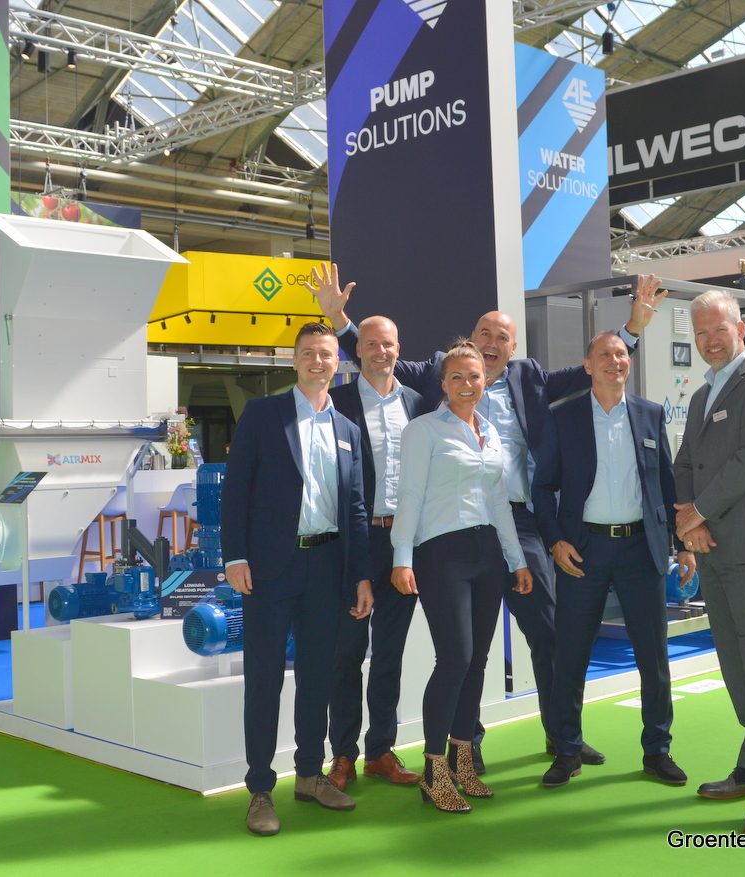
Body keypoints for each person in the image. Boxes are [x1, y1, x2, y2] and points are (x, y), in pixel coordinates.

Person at [310, 262, 664, 771]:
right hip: (452, 530)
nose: (491, 343)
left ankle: (562, 736)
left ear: (513, 348)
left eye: (502, 337)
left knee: (548, 634)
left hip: (519, 524)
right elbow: (379, 360)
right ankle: (463, 746)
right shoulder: (440, 371)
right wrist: (340, 322)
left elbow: (597, 367)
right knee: (462, 651)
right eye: (484, 334)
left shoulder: (531, 377)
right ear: (469, 344)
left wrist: (632, 328)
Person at [221, 322, 375, 837]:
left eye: (326, 354)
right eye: (307, 353)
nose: (317, 361)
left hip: (328, 567)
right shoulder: (263, 414)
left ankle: (309, 775)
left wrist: (360, 575)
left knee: (318, 676)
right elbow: (236, 489)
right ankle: (260, 789)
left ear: (338, 363)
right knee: (264, 678)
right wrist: (235, 556)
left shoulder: (348, 430)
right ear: (294, 361)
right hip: (269, 568)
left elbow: (356, 508)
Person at [532, 331, 695, 788]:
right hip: (582, 550)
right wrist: (555, 541)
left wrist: (683, 541)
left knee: (653, 657)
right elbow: (542, 487)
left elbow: (667, 483)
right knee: (571, 656)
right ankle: (567, 751)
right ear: (588, 365)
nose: (614, 360)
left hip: (641, 549)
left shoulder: (650, 414)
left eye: (621, 354)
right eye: (604, 354)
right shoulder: (562, 416)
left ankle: (657, 751)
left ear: (629, 362)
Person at [390, 340, 533, 813]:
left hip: (487, 554)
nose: (467, 384)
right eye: (457, 377)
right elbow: (409, 495)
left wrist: (517, 560)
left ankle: (462, 761)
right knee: (455, 658)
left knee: (478, 662)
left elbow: (499, 503)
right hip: (440, 554)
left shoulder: (490, 433)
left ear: (485, 380)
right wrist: (402, 558)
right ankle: (434, 771)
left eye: (474, 376)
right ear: (443, 383)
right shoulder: (422, 430)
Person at [672, 289, 745, 835]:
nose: (710, 340)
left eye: (718, 329)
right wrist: (689, 522)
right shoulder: (701, 395)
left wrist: (696, 512)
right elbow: (685, 464)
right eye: (700, 332)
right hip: (710, 546)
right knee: (732, 663)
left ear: (740, 329)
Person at [326, 316, 429, 791]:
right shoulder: (337, 402)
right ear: (358, 350)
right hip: (354, 542)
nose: (380, 352)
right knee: (347, 654)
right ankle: (342, 756)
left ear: (398, 348)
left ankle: (380, 751)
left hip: (403, 543)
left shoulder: (417, 403)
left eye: (388, 344)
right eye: (371, 344)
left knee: (390, 653)